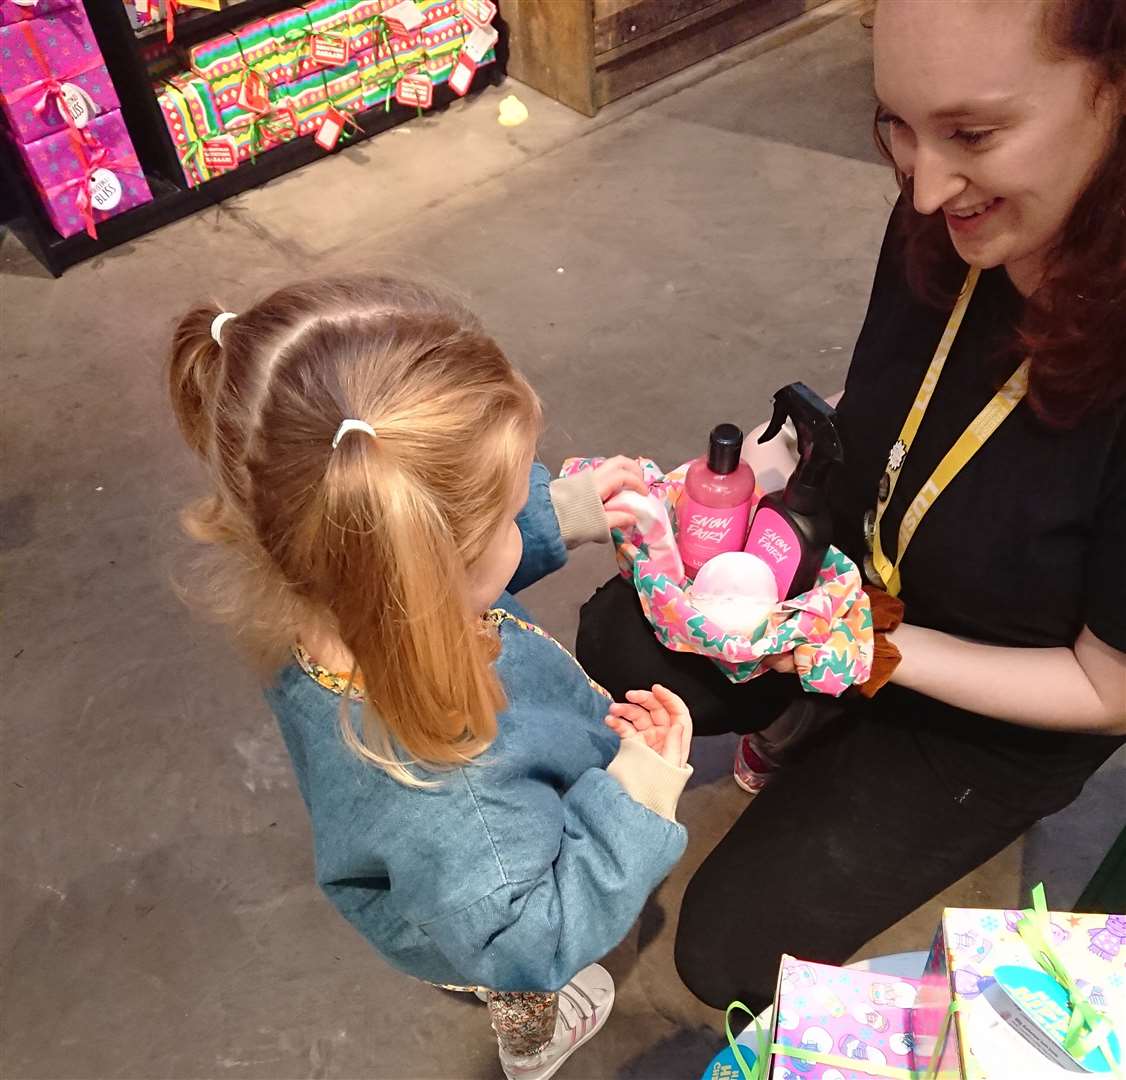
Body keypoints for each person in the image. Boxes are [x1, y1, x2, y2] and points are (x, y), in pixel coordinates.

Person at [577, 0, 1126, 1012]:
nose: (920, 189)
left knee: (733, 955)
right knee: (620, 632)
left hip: (999, 697)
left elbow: (1109, 686)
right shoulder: (951, 213)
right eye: (894, 125)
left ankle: (822, 722)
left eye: (972, 133)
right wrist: (748, 481)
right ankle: (806, 716)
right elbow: (890, 393)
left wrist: (870, 648)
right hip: (854, 571)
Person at [166, 275, 697, 1080]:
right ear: (423, 574)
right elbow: (529, 932)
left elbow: (434, 551)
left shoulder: (321, 590)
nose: (529, 509)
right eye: (514, 507)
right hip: (484, 911)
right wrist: (638, 791)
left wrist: (566, 512)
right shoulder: (464, 804)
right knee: (520, 982)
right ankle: (535, 1044)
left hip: (436, 854)